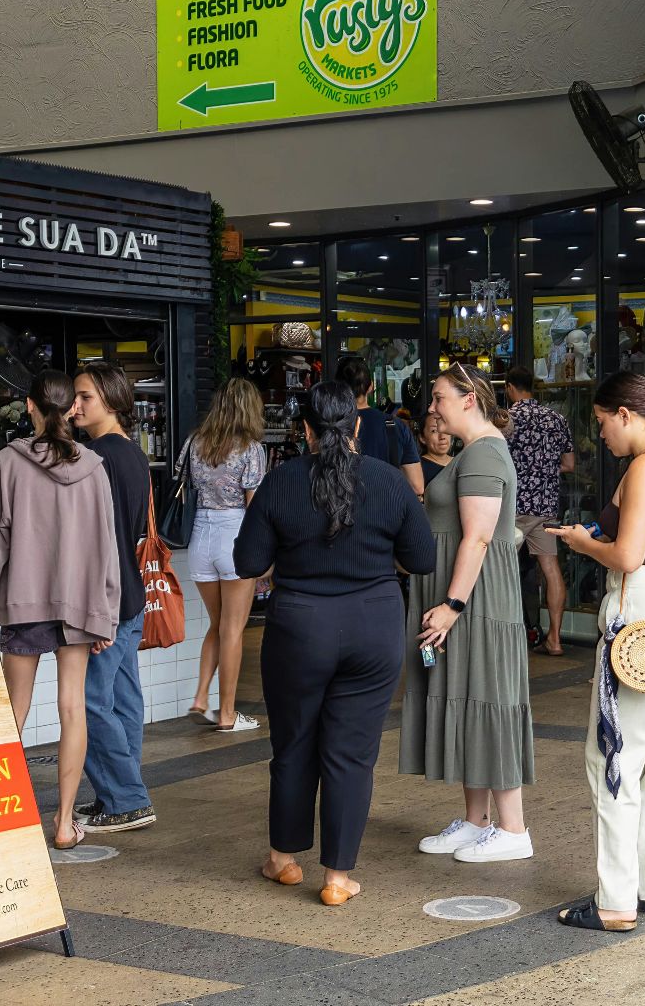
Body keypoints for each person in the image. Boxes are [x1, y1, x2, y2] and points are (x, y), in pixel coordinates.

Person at [235, 381, 437, 905]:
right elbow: (422, 559)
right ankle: (338, 877)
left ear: (304, 429)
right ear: (357, 426)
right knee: (351, 754)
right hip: (374, 625)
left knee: (294, 743)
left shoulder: (281, 481)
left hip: (298, 626)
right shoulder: (389, 482)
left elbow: (248, 562)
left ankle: (283, 858)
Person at [547, 372, 645, 932]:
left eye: (601, 422)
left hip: (641, 612)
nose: (601, 436)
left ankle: (615, 899)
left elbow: (630, 556)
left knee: (612, 755)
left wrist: (583, 543)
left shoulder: (644, 467)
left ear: (625, 414)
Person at [0, 370, 119, 851]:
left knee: (14, 709)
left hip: (25, 601)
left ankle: (1, 817)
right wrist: (106, 611)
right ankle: (66, 821)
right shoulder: (94, 467)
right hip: (78, 605)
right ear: (72, 408)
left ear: (30, 406)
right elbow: (105, 547)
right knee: (73, 708)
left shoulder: (8, 463)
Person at [402, 364, 535, 863]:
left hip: (473, 603)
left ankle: (513, 829)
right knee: (470, 696)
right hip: (467, 601)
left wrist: (452, 606)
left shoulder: (481, 455)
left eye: (438, 397)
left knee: (488, 699)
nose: (432, 407)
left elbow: (478, 538)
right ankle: (478, 821)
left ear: (467, 400)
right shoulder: (475, 453)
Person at [70, 362, 157, 834]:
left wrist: (96, 611)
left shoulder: (96, 457)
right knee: (123, 700)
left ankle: (125, 798)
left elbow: (96, 541)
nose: (75, 405)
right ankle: (124, 795)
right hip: (130, 592)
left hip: (109, 594)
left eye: (84, 396)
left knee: (86, 702)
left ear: (109, 398)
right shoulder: (132, 453)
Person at [181, 377, 268, 734]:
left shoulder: (194, 442)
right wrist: (264, 556)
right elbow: (255, 509)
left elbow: (185, 490)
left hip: (200, 537)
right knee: (234, 629)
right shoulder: (251, 448)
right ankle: (228, 713)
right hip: (235, 536)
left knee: (217, 624)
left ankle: (201, 696)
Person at [503, 367, 576, 657]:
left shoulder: (507, 420)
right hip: (546, 506)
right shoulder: (556, 419)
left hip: (515, 506)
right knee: (551, 569)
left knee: (500, 567)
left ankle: (504, 638)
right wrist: (544, 471)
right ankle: (555, 639)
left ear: (510, 388)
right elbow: (569, 464)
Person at [336, 355, 423, 497]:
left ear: (338, 388)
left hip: (340, 510)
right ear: (370, 387)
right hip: (386, 509)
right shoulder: (395, 425)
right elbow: (417, 486)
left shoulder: (330, 426)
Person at [419, 410, 457, 487]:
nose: (442, 437)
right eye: (434, 431)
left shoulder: (460, 461)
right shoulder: (418, 468)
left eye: (445, 429)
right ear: (422, 438)